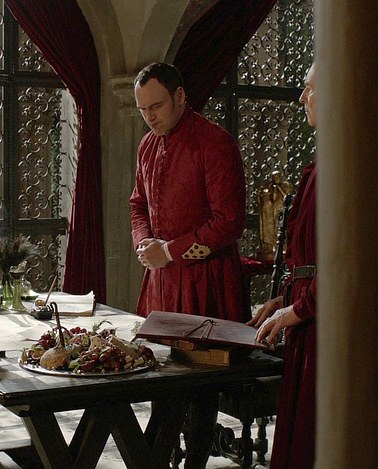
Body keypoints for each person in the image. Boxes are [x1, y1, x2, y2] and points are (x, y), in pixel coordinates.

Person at [129, 62, 246, 468]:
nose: (149, 116)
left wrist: (171, 251)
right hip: (161, 283)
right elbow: (138, 204)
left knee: (199, 387)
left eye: (156, 106)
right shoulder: (147, 146)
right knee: (160, 380)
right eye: (142, 110)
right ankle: (161, 458)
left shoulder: (215, 143)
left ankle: (195, 461)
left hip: (205, 282)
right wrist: (144, 242)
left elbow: (229, 222)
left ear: (180, 96)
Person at [248, 62, 319, 469]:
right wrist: (282, 299)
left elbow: (343, 265)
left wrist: (298, 309)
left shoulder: (350, 164)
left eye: (310, 87)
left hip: (324, 328)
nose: (302, 96)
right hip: (306, 317)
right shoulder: (320, 164)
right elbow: (308, 258)